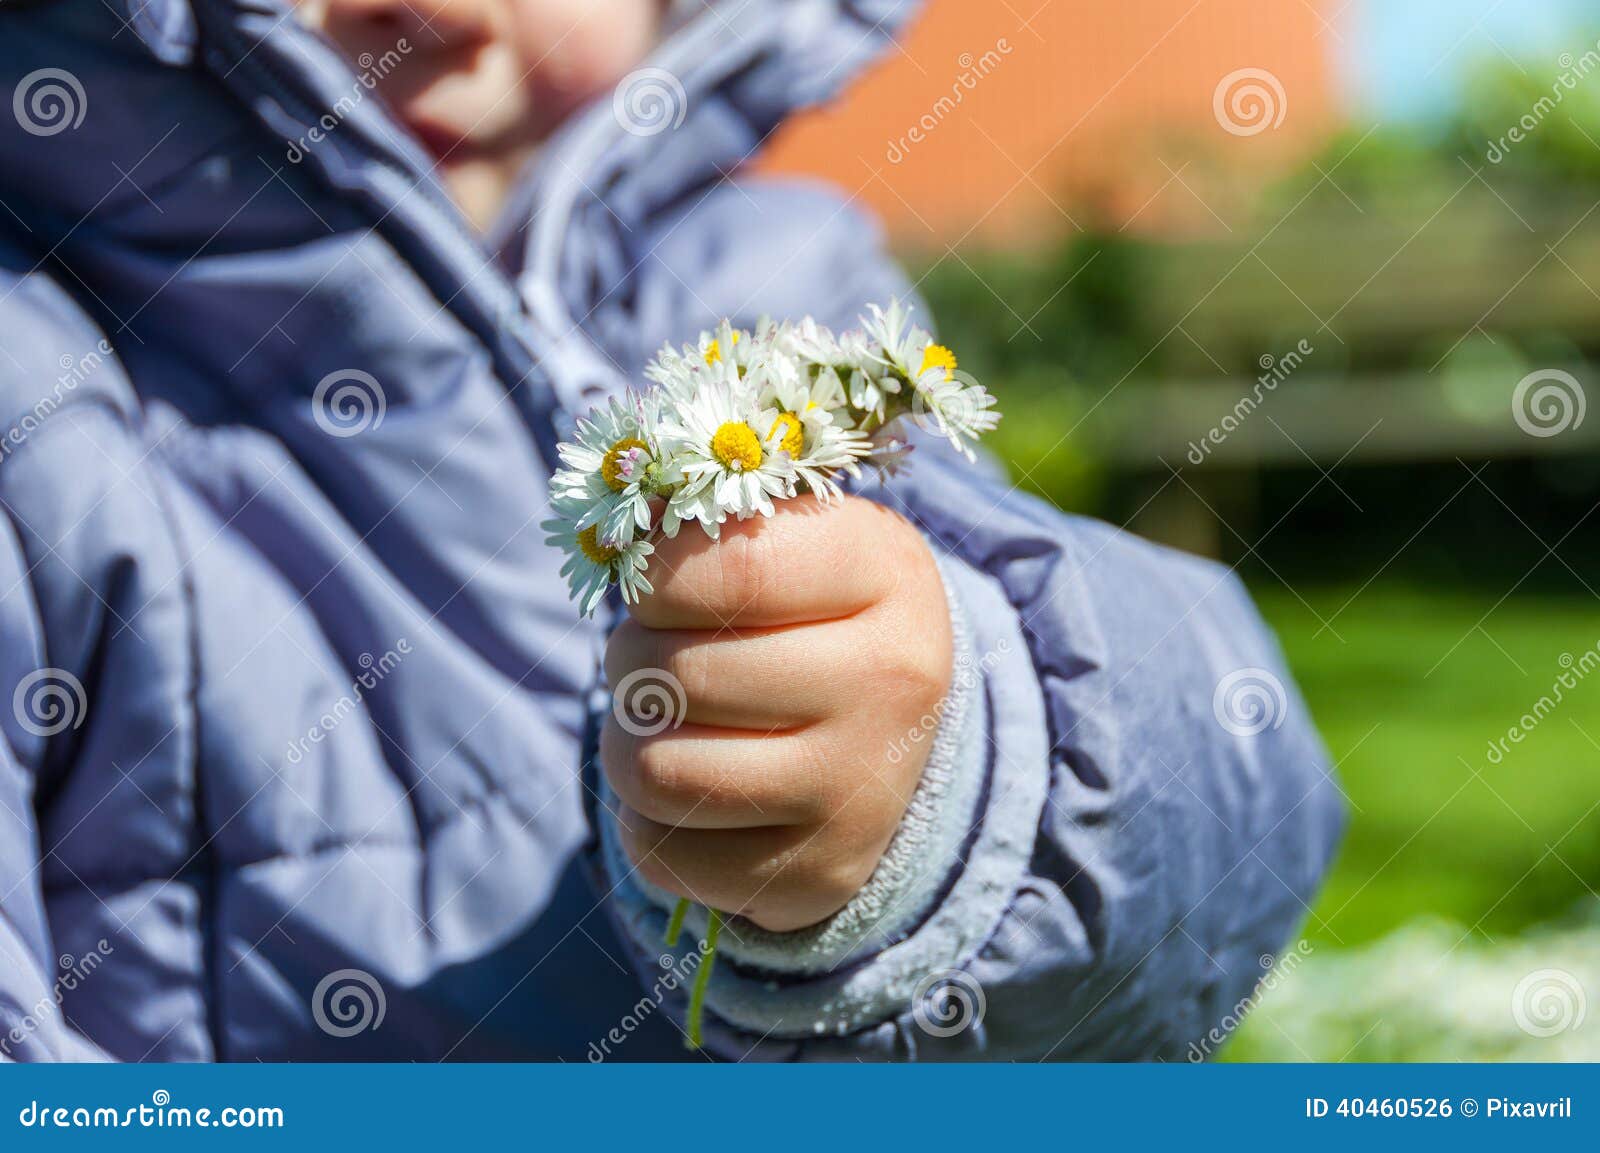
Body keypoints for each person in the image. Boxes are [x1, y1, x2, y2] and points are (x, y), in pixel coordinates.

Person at [0, 0, 1342, 1061]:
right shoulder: (42, 403)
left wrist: (947, 781)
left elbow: (1221, 814)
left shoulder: (785, 297)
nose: (429, 10)